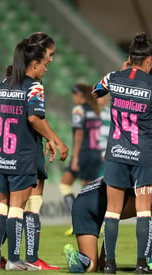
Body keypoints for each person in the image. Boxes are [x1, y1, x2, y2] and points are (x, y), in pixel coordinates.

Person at [92, 32, 152, 274]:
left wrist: (121, 73)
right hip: (143, 155)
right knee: (144, 210)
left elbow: (95, 92)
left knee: (112, 210)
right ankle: (140, 264)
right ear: (149, 60)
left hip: (116, 152)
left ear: (129, 58)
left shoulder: (113, 78)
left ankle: (110, 265)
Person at [0, 32, 59, 271]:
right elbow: (34, 118)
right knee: (18, 207)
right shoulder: (34, 86)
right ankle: (15, 259)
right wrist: (56, 139)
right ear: (34, 63)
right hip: (22, 155)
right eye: (44, 65)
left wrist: (1, 141)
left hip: (4, 155)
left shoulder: (6, 84)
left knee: (2, 204)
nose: (47, 69)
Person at [63, 175, 152, 273]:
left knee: (92, 266)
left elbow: (111, 223)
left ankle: (81, 258)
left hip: (81, 201)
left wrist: (104, 260)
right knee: (150, 211)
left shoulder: (130, 174)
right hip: (101, 200)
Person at [59, 83, 102, 228]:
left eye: (74, 94)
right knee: (88, 190)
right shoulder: (95, 111)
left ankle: (81, 221)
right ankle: (95, 222)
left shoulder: (78, 110)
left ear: (80, 95)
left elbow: (79, 133)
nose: (73, 98)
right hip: (95, 154)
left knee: (67, 185)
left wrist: (76, 157)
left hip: (83, 154)